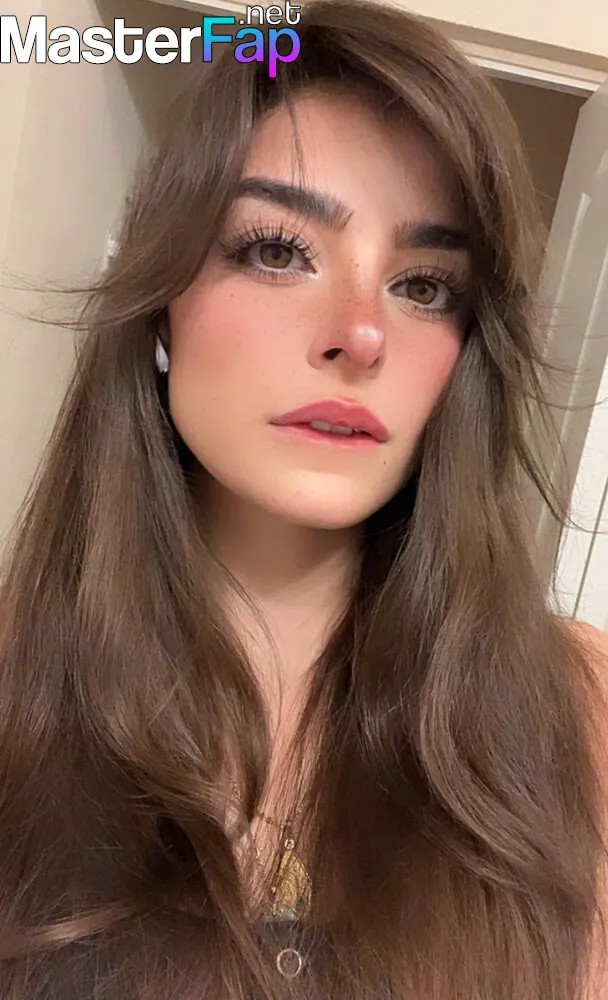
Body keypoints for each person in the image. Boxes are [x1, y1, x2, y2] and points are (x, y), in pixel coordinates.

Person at [0, 1, 607, 997]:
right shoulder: (18, 676)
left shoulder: (574, 713)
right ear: (161, 308)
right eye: (278, 250)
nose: (361, 334)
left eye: (423, 285)